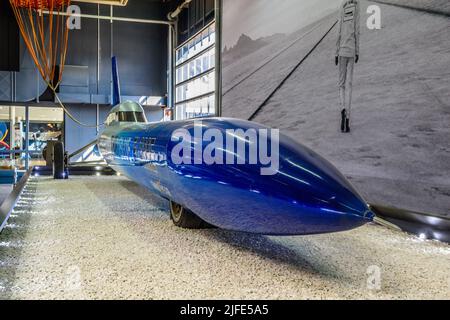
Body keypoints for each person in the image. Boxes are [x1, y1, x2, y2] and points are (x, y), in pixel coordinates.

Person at [335, 0, 360, 133]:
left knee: (341, 85)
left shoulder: (342, 6)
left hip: (342, 52)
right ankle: (348, 120)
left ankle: (342, 109)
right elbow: (357, 30)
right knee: (349, 85)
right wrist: (357, 51)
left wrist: (336, 52)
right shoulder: (357, 6)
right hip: (351, 51)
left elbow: (338, 31)